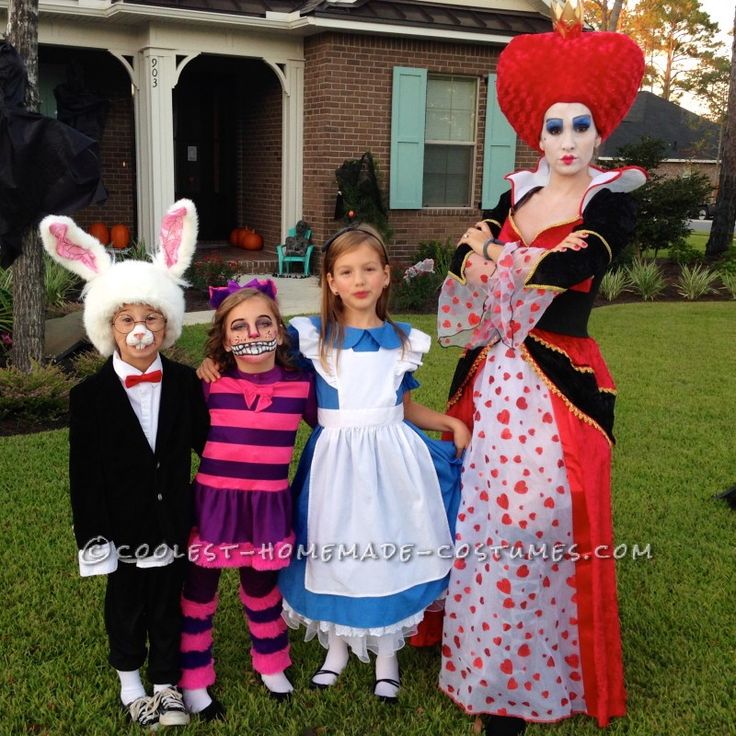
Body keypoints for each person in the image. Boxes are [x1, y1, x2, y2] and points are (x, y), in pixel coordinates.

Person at [436, 5, 646, 734]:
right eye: (554, 126)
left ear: (600, 130)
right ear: (538, 133)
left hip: (560, 390)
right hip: (494, 382)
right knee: (487, 520)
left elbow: (570, 265)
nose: (566, 140)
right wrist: (493, 259)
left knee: (543, 523)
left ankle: (544, 673)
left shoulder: (609, 202)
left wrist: (492, 257)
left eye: (579, 125)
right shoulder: (515, 191)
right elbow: (457, 258)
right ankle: (490, 673)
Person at [40, 201, 210, 729]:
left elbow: (209, 445)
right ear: (108, 327)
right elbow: (84, 476)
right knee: (128, 606)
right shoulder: (89, 397)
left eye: (151, 318)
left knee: (168, 605)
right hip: (122, 526)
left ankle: (166, 684)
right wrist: (94, 539)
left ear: (168, 324)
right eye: (127, 319)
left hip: (173, 521)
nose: (140, 330)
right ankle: (131, 682)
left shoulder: (184, 384)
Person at [179, 279, 316, 719]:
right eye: (239, 327)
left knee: (261, 587)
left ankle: (271, 662)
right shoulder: (209, 385)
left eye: (263, 323)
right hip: (214, 504)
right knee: (198, 591)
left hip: (267, 506)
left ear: (280, 329)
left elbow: (340, 429)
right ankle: (194, 677)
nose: (252, 333)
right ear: (224, 338)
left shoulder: (300, 386)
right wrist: (205, 366)